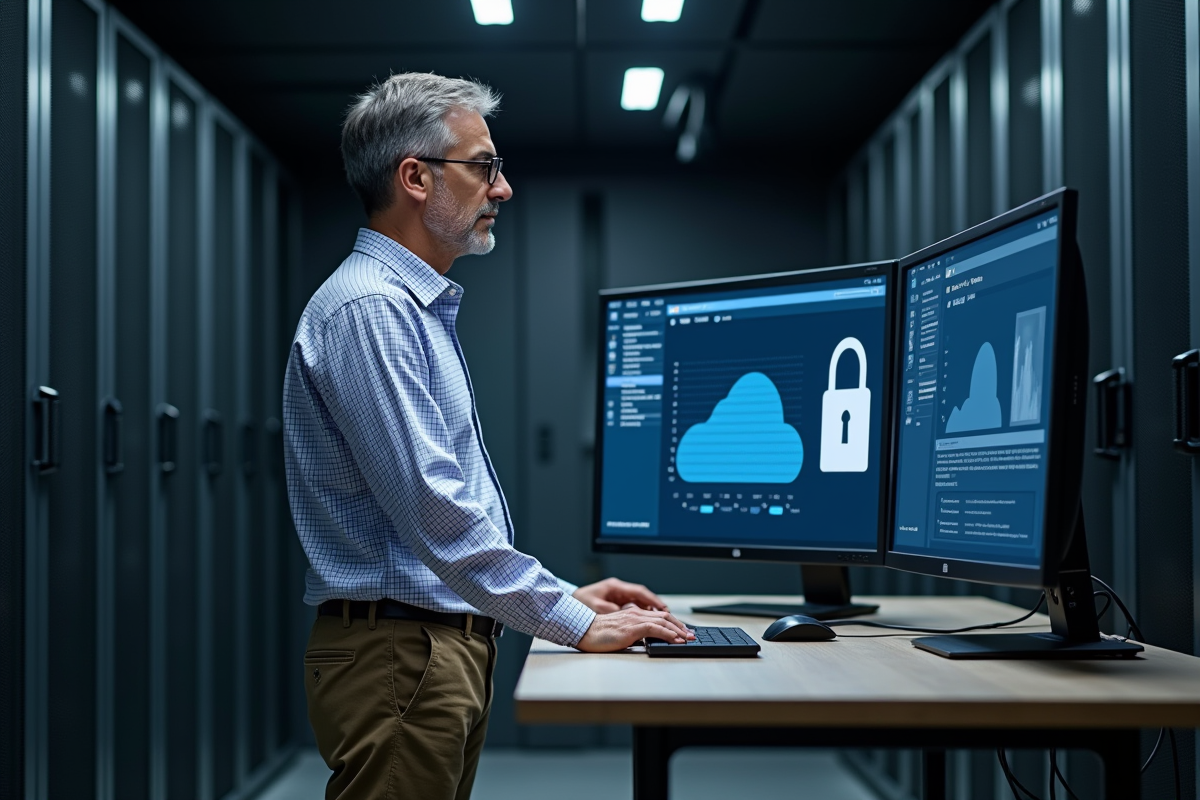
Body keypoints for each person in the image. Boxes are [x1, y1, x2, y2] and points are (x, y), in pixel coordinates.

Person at [282, 72, 694, 800]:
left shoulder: (409, 308)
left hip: (425, 647)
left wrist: (571, 595)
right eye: (484, 166)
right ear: (414, 177)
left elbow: (436, 523)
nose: (501, 188)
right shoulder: (372, 311)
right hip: (399, 657)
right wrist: (570, 619)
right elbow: (437, 513)